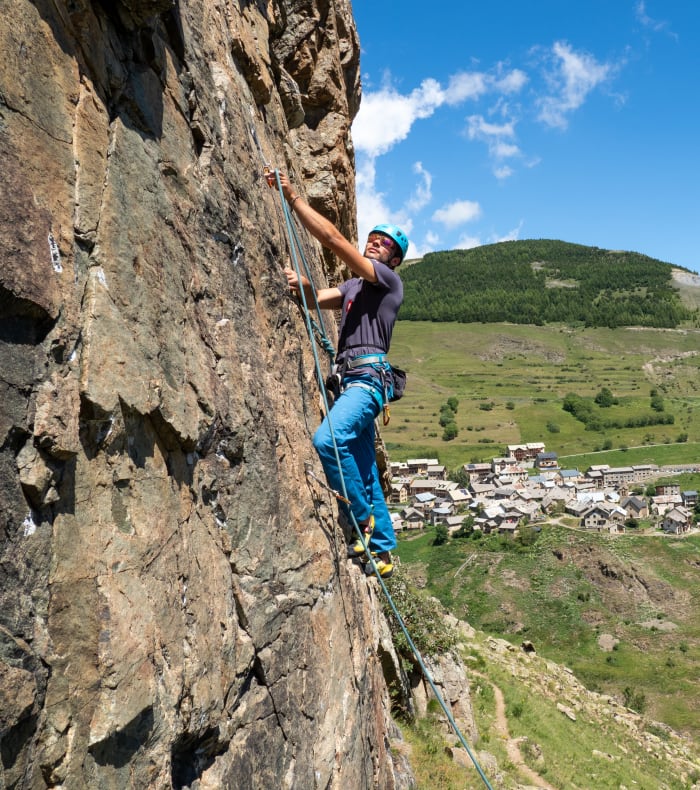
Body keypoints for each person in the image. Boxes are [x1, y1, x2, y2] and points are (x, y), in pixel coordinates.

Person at [276, 172, 408, 578]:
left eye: (385, 243)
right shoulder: (354, 286)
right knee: (366, 468)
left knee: (328, 439)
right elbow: (317, 300)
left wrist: (293, 197)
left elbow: (333, 240)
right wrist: (304, 286)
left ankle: (363, 521)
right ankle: (383, 549)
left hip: (367, 382)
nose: (375, 242)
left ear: (394, 258)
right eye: (373, 237)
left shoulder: (387, 281)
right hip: (355, 382)